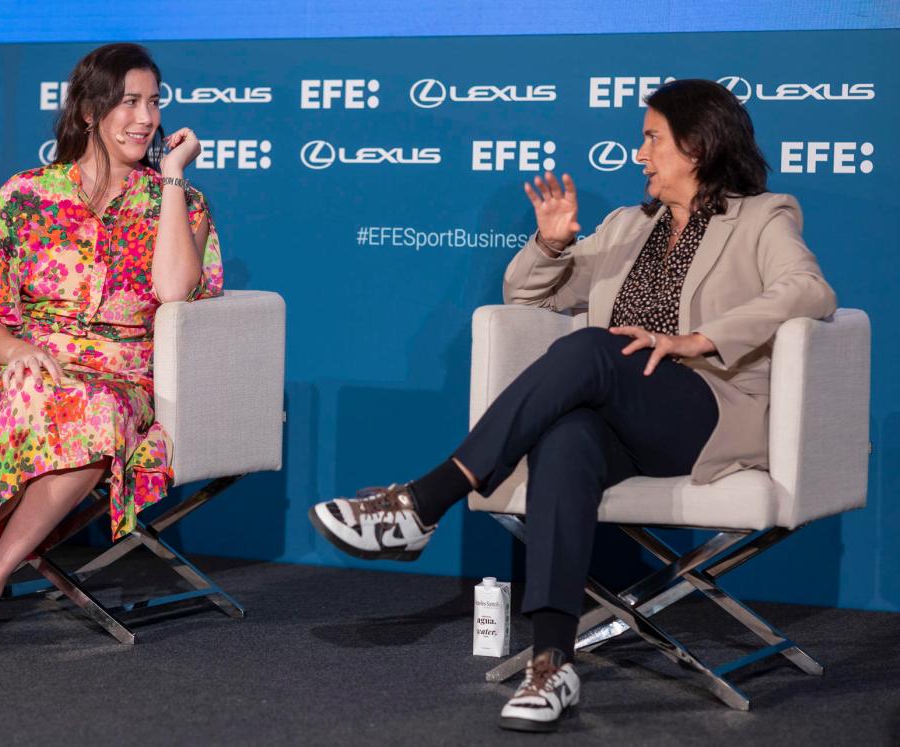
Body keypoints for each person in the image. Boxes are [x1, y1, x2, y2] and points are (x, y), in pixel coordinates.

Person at [309, 79, 836, 732]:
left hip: (704, 412)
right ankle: (552, 663)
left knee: (591, 347)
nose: (638, 153)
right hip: (624, 417)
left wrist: (698, 338)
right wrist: (553, 243)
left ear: (696, 146)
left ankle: (425, 500)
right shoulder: (625, 229)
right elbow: (527, 294)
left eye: (651, 138)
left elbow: (810, 290)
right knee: (567, 438)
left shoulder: (760, 216)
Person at [0, 43, 222, 657]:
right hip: (28, 372)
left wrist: (173, 179)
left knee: (91, 415)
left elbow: (175, 290)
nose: (145, 118)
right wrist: (16, 352)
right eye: (128, 102)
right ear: (90, 111)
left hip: (117, 383)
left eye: (153, 102)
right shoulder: (24, 196)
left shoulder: (179, 202)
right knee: (32, 391)